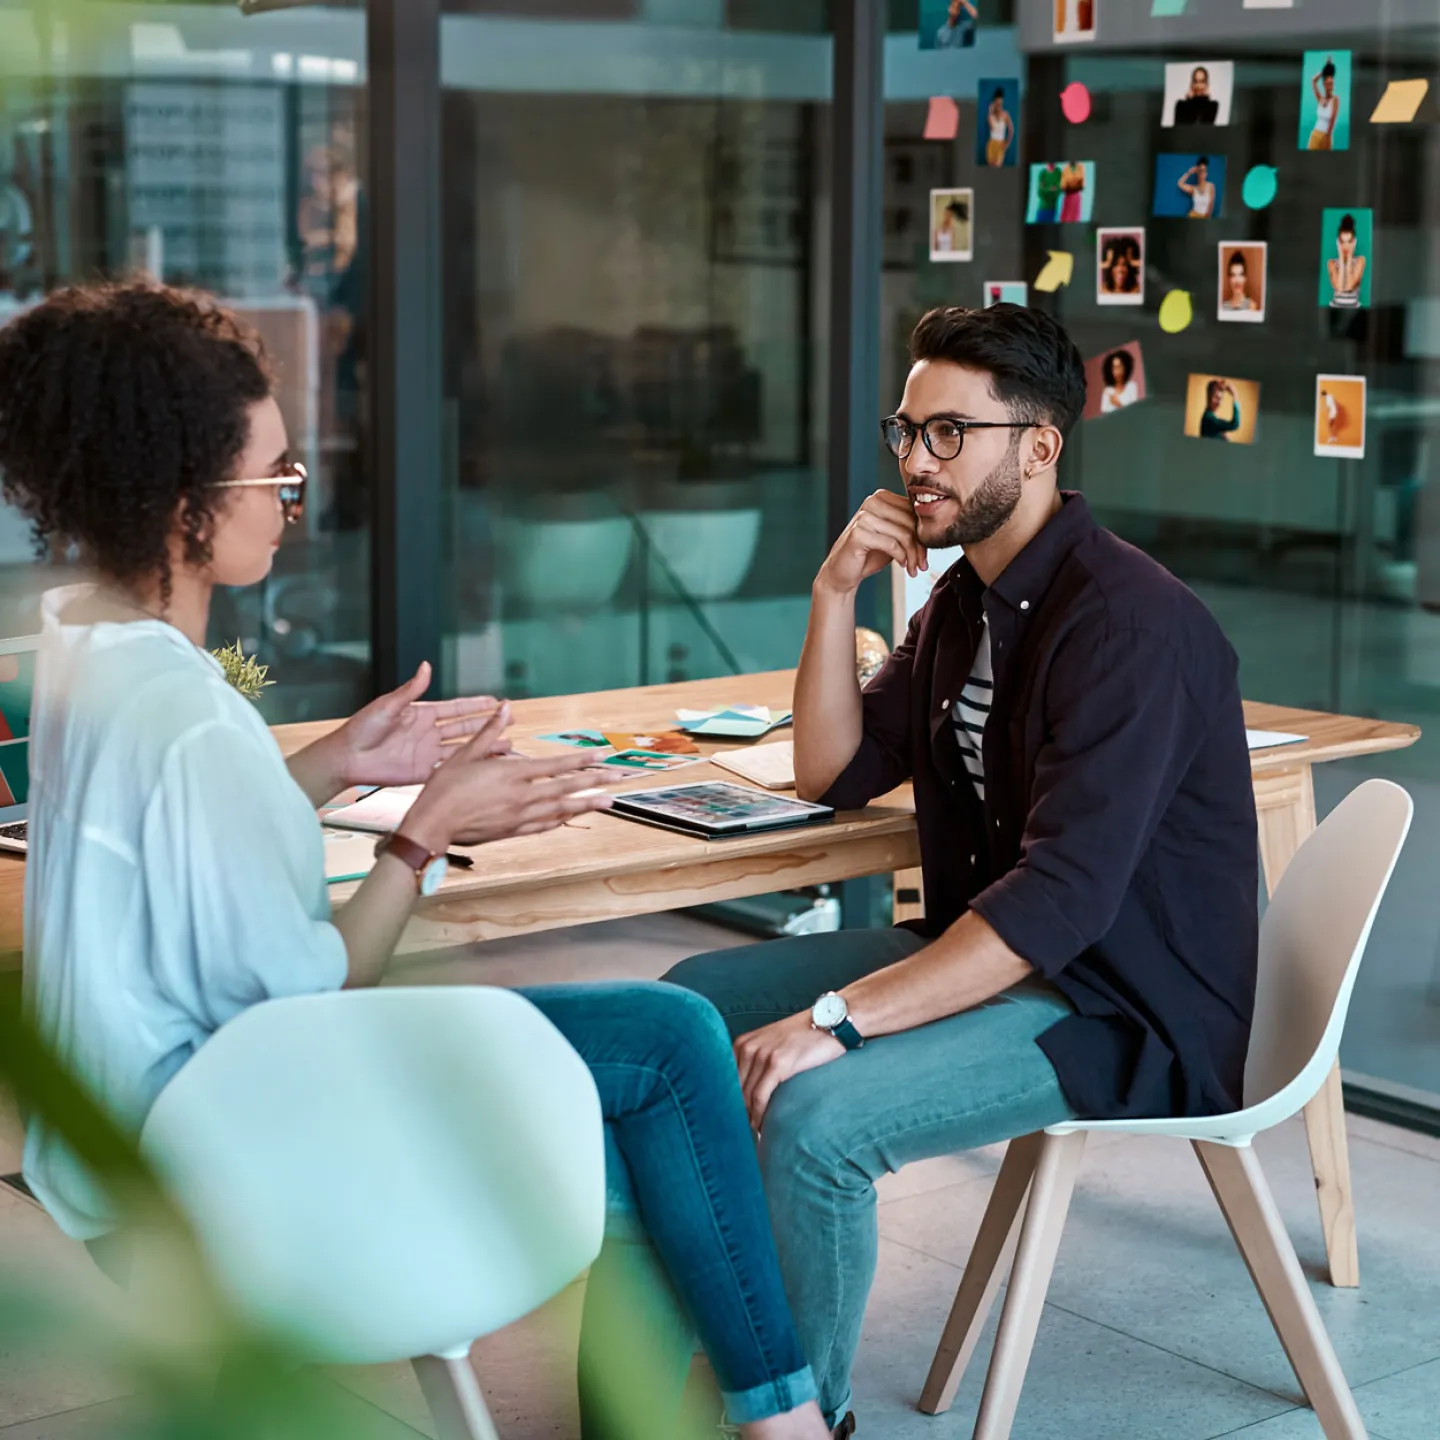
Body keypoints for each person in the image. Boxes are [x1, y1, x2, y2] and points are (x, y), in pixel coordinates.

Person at [1, 283, 832, 1440]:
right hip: (224, 1163)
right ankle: (783, 1422)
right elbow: (323, 986)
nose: (294, 504)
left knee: (652, 1125)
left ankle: (725, 1422)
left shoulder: (86, 660)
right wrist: (424, 830)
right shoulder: (193, 721)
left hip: (126, 1157)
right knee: (672, 1039)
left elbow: (178, 845)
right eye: (276, 477)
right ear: (186, 503)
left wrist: (335, 763)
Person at [664, 305, 1259, 1430]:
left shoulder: (1130, 627)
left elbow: (1061, 905)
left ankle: (795, 1416)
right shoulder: (965, 601)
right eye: (907, 432)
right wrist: (832, 594)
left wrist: (837, 1019)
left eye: (950, 435)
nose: (917, 464)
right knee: (681, 1017)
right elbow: (830, 770)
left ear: (1039, 445)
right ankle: (699, 1364)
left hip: (1115, 1005)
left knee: (816, 1120)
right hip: (996, 952)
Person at [1327, 213, 1366, 308]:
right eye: (1342, 242)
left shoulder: (1360, 261)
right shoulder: (1332, 263)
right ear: (1338, 242)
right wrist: (1340, 255)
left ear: (1354, 242)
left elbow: (1349, 286)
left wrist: (1349, 257)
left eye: (1349, 242)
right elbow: (1340, 288)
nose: (1346, 246)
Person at [1308, 58, 1341, 150]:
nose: (1331, 86)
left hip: (1326, 136)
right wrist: (1325, 70)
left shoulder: (1335, 99)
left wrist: (1327, 136)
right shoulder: (1321, 99)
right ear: (1324, 84)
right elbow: (1313, 81)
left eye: (1332, 84)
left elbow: (1333, 119)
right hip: (1315, 135)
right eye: (1328, 84)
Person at [984, 87, 1014, 167]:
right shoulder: (991, 116)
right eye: (996, 101)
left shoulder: (1005, 115)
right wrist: (990, 111)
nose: (998, 104)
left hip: (1000, 143)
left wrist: (1007, 143)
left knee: (998, 166)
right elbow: (992, 128)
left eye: (999, 101)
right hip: (991, 143)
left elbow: (1011, 130)